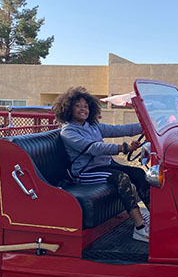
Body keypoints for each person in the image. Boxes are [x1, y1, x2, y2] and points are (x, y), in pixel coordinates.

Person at [54, 86, 151, 242]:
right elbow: (92, 148)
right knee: (122, 178)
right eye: (78, 106)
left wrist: (147, 126)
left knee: (139, 174)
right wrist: (122, 148)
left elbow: (118, 129)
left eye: (85, 106)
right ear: (68, 108)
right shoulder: (68, 131)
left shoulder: (93, 126)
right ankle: (140, 228)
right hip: (86, 172)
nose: (82, 109)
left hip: (105, 165)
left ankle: (158, 219)